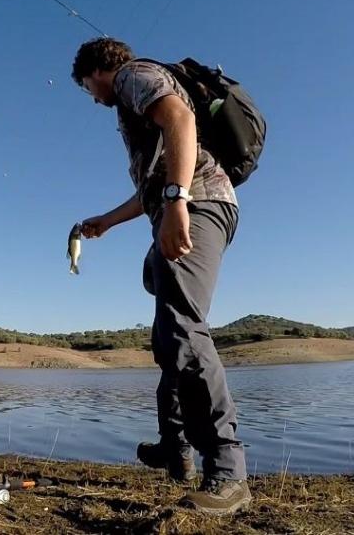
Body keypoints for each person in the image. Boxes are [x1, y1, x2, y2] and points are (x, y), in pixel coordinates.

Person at [71, 37, 251, 515]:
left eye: (88, 87)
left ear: (96, 71)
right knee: (166, 331)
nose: (91, 97)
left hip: (197, 204)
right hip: (182, 203)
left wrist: (176, 202)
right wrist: (108, 220)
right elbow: (150, 186)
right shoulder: (132, 97)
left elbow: (181, 119)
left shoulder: (133, 76)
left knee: (183, 330)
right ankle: (175, 447)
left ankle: (228, 472)